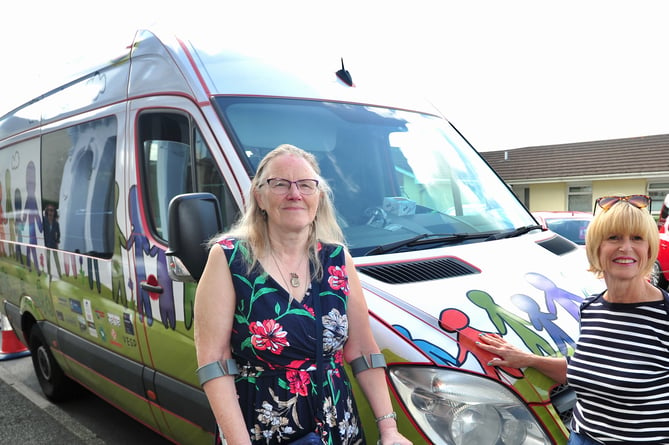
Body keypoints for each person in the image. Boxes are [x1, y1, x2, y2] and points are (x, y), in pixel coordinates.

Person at [194, 144, 412, 445]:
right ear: (259, 197)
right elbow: (214, 361)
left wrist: (389, 429)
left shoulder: (337, 258)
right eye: (280, 184)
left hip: (338, 426)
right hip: (261, 429)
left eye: (306, 185)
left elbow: (362, 350)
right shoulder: (230, 259)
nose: (294, 194)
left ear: (318, 196)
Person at [478, 194, 669, 445]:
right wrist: (527, 359)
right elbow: (584, 369)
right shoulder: (590, 308)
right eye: (614, 237)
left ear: (649, 247)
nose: (625, 247)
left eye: (637, 238)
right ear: (596, 246)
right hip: (583, 437)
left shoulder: (664, 314)